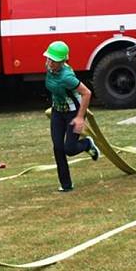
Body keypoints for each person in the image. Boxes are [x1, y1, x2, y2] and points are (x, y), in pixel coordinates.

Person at [43, 41, 100, 192]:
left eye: (52, 60)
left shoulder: (67, 77)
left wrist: (80, 118)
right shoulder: (49, 69)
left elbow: (87, 93)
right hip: (57, 112)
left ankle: (87, 144)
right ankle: (66, 185)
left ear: (62, 62)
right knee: (58, 148)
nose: (48, 62)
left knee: (69, 149)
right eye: (48, 58)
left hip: (73, 113)